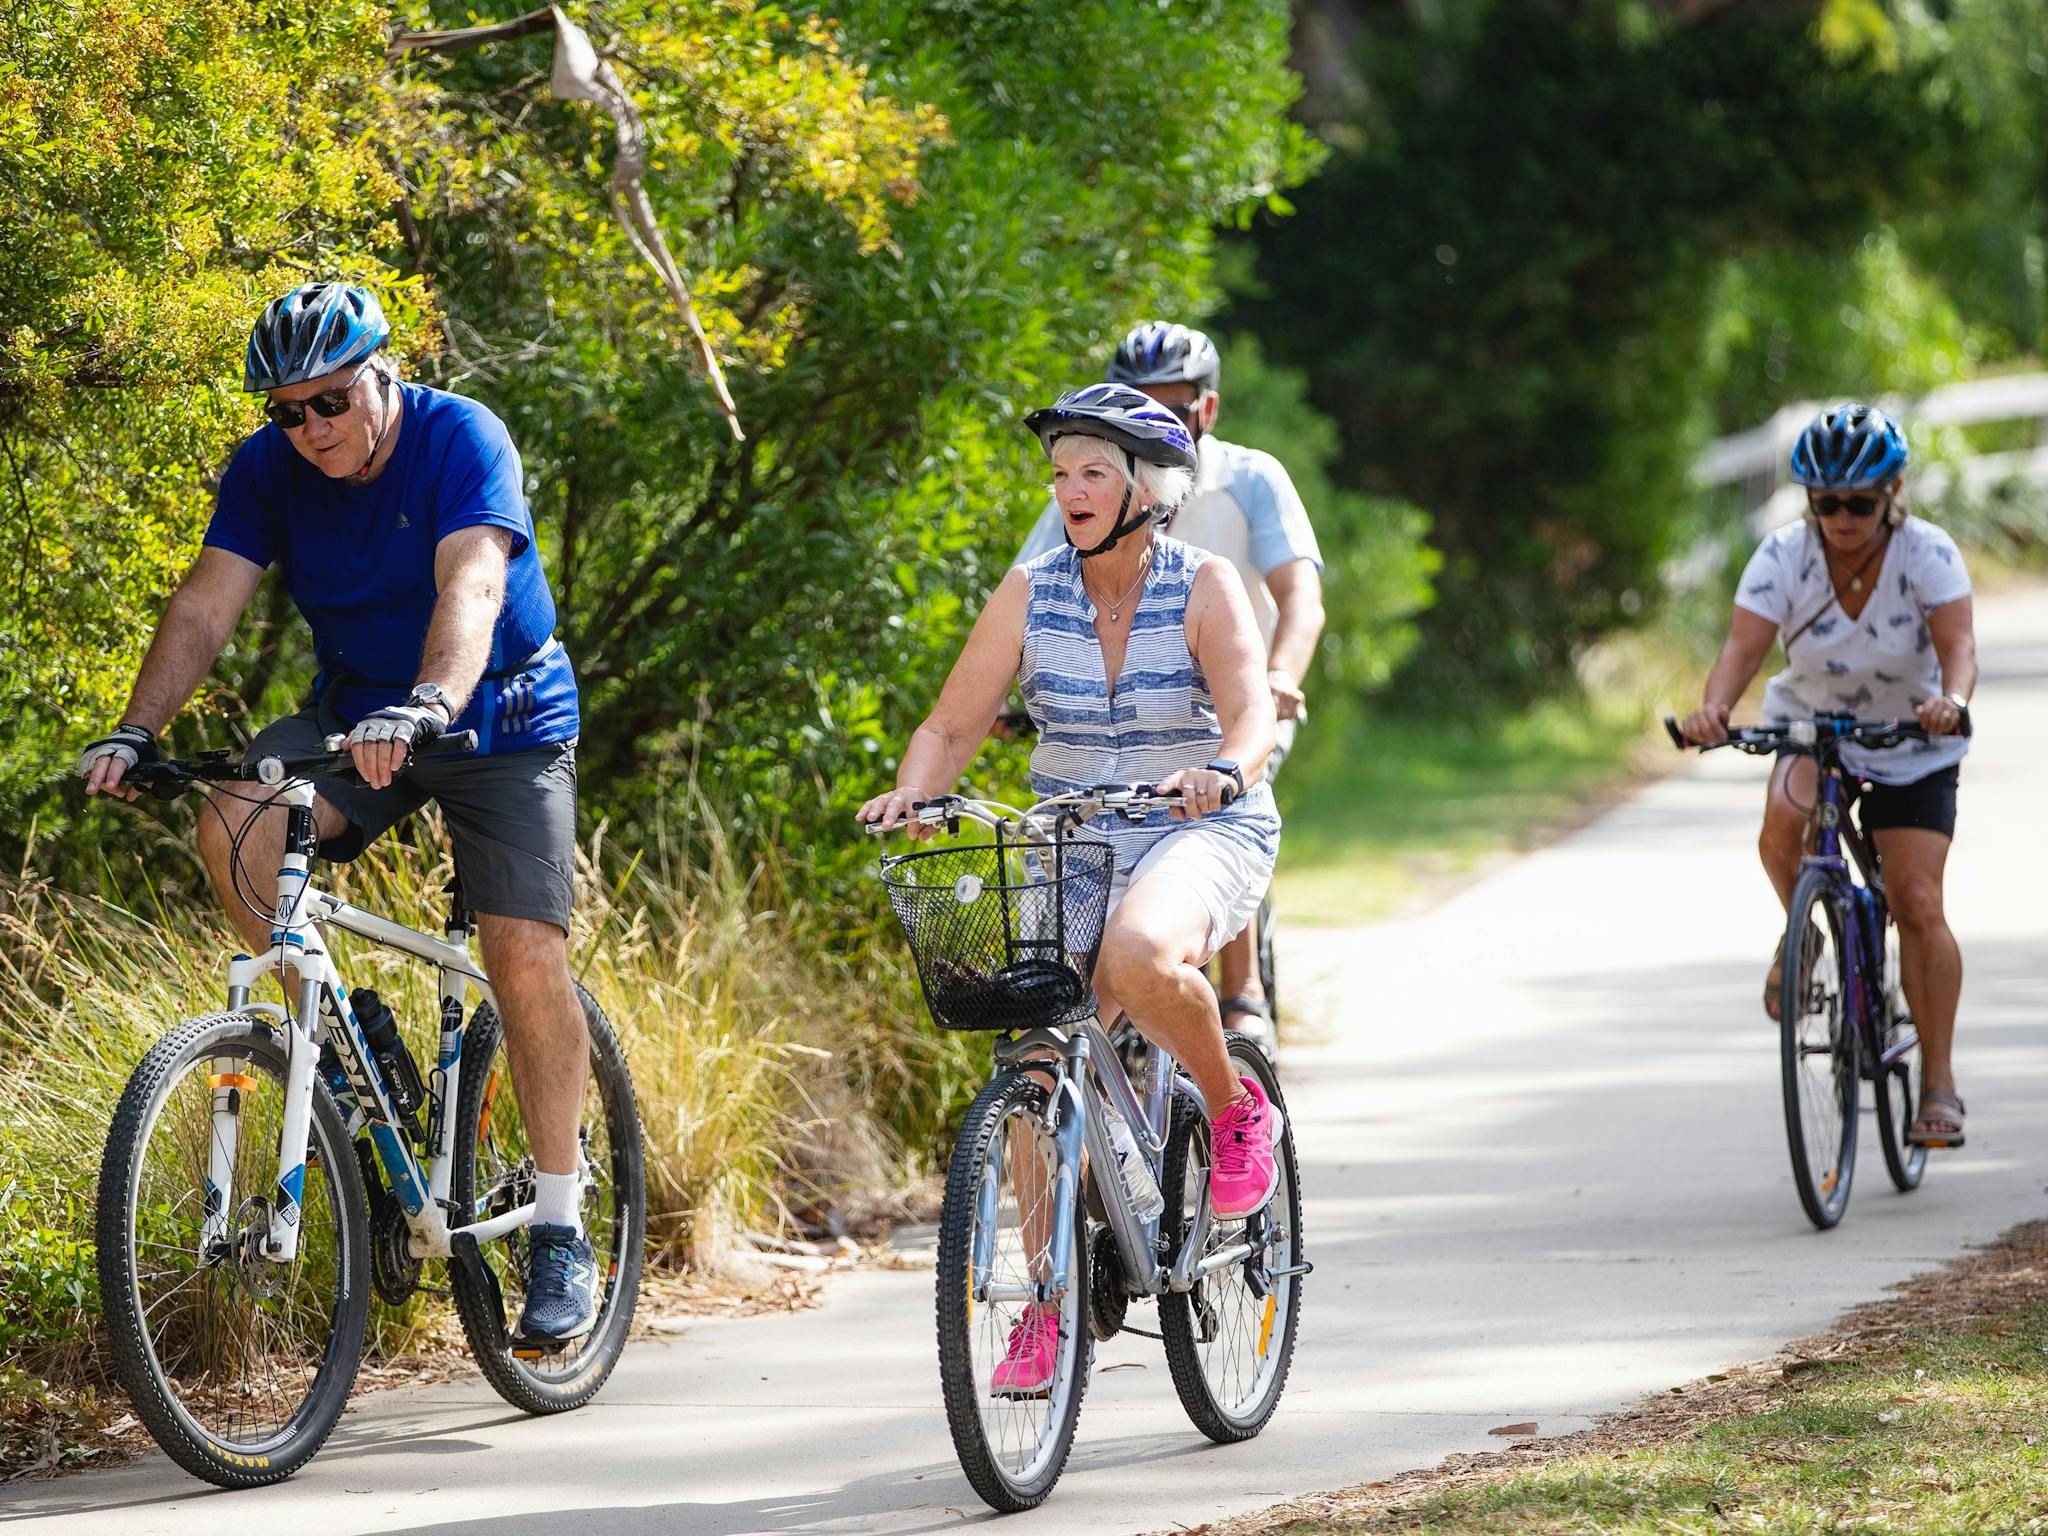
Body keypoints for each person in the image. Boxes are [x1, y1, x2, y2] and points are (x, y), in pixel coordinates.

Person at [78, 282, 603, 1340]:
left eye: (331, 399)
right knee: (235, 821)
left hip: (498, 717)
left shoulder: (461, 437)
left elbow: (472, 585)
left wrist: (429, 702)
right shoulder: (268, 469)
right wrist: (134, 730)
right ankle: (355, 1063)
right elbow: (206, 603)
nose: (312, 426)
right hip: (359, 715)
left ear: (381, 375)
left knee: (519, 948)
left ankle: (560, 1223)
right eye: (287, 410)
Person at [860, 383, 1282, 1392]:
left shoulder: (1204, 584)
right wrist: (916, 790)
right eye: (1059, 473)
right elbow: (951, 726)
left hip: (1200, 825)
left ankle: (1235, 1111)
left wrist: (1222, 770)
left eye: (1093, 471)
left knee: (1135, 957)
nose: (1070, 491)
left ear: (1149, 488)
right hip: (1077, 839)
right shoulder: (1030, 590)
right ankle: (1050, 1304)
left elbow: (1252, 717)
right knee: (1036, 1058)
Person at [1015, 322, 1322, 1049]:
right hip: (1134, 703)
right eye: (1136, 401)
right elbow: (1029, 598)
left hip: (1238, 694)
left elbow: (1301, 598)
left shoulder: (1249, 478)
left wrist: (1279, 675)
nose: (1153, 418)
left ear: (1206, 410)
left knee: (1223, 798)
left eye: (1174, 406)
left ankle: (1241, 997)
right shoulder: (1093, 485)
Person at [1680, 402, 1976, 1148]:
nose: (1841, 518)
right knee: (1782, 827)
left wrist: (1952, 701)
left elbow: (1959, 647)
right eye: (1825, 503)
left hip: (1911, 738)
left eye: (1858, 504)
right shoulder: (1784, 555)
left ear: (1892, 493)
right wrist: (1715, 709)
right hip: (1813, 726)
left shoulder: (1928, 553)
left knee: (1916, 899)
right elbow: (1743, 647)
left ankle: (1938, 1082)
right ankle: (1807, 933)